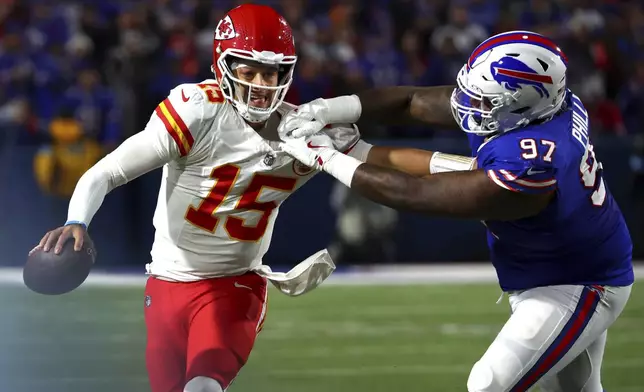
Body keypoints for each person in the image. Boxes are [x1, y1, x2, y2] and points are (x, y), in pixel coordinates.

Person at [29, 4, 466, 392]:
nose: (261, 83)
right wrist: (77, 221)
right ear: (224, 67)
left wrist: (469, 169)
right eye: (249, 70)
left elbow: (385, 159)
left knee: (204, 383)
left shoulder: (305, 129)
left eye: (271, 72)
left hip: (235, 284)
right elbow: (107, 171)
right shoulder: (197, 112)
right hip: (164, 282)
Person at [279, 31, 634, 392]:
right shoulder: (536, 113)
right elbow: (414, 102)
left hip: (579, 282)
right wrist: (327, 110)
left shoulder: (536, 163)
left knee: (488, 384)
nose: (468, 106)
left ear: (523, 105)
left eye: (483, 101)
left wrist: (327, 158)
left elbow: (417, 193)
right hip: (561, 261)